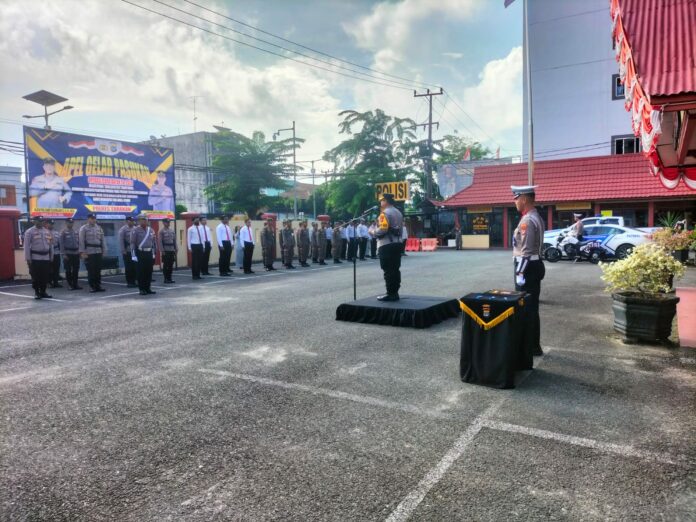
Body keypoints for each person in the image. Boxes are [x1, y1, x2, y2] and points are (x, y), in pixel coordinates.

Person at [511, 185, 546, 357]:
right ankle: (533, 346)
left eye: (516, 198)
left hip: (527, 268)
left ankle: (530, 347)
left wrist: (519, 274)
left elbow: (525, 251)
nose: (515, 202)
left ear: (524, 199)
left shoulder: (526, 221)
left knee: (527, 308)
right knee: (532, 308)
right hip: (534, 265)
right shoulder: (536, 217)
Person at [373, 193, 403, 301]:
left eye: (381, 201)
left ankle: (390, 293)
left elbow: (382, 229)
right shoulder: (398, 212)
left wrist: (372, 231)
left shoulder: (384, 213)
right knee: (395, 269)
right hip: (398, 243)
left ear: (385, 201)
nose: (380, 203)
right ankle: (395, 292)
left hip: (386, 244)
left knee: (388, 270)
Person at [24, 216, 53, 299]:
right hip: (35, 258)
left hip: (46, 257)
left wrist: (51, 256)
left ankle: (43, 291)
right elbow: (26, 246)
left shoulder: (47, 231)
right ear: (34, 221)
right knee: (36, 276)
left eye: (41, 221)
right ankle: (37, 292)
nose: (40, 223)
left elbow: (50, 245)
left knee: (45, 276)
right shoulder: (29, 232)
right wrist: (28, 258)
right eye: (38, 221)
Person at [79, 212, 107, 292]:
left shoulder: (99, 228)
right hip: (89, 252)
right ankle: (92, 286)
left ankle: (98, 285)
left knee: (98, 270)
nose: (93, 220)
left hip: (98, 251)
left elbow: (103, 240)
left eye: (94, 219)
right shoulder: (83, 228)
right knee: (91, 270)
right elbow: (81, 241)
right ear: (88, 219)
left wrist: (104, 251)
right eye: (92, 219)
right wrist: (82, 252)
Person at [130, 214, 157, 295]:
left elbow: (153, 242)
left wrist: (154, 252)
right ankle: (141, 289)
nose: (144, 221)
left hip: (149, 252)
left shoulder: (151, 230)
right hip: (140, 252)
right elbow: (132, 243)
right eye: (142, 220)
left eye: (145, 220)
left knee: (149, 271)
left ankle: (148, 288)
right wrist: (133, 255)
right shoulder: (135, 230)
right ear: (139, 221)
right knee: (141, 272)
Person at [60, 217, 81, 290]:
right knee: (68, 270)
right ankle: (70, 284)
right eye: (69, 222)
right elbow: (61, 244)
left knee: (76, 270)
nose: (71, 224)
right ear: (66, 223)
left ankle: (75, 284)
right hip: (68, 253)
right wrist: (63, 254)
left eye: (72, 222)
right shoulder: (63, 232)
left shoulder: (76, 231)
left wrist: (79, 252)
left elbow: (79, 243)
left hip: (76, 253)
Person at [118, 216, 137, 288]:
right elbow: (121, 241)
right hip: (127, 250)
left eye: (132, 220)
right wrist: (123, 250)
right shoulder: (123, 230)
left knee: (135, 266)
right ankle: (130, 282)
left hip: (135, 251)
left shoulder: (136, 228)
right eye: (130, 221)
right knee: (129, 267)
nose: (132, 222)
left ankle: (134, 281)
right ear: (127, 221)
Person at [158, 218, 177, 284]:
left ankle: (170, 278)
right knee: (166, 265)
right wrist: (162, 250)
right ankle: (166, 278)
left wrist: (176, 248)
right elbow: (160, 242)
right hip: (165, 250)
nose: (168, 223)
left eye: (169, 222)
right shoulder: (161, 231)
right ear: (163, 223)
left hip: (171, 249)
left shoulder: (172, 230)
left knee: (171, 264)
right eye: (167, 222)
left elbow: (174, 240)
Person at [46, 220, 62, 288]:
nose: (51, 225)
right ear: (47, 224)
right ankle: (49, 282)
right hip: (48, 253)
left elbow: (60, 243)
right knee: (49, 269)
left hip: (56, 252)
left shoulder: (57, 233)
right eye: (50, 224)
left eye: (52, 224)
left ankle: (56, 282)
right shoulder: (44, 232)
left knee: (56, 268)